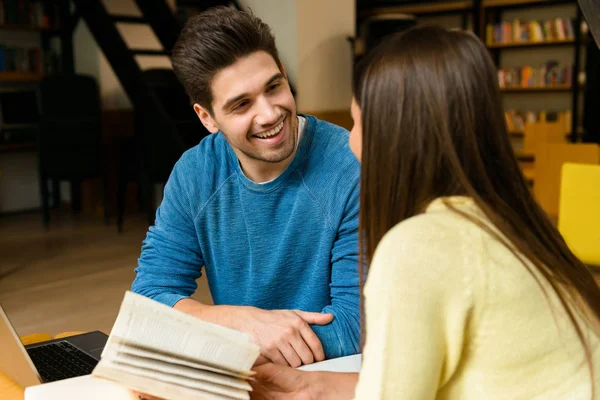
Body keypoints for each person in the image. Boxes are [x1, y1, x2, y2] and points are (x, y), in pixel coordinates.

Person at [250, 26, 600, 399]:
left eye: (356, 123)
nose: (349, 141)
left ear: (391, 136)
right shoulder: (518, 223)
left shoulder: (418, 247)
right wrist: (308, 386)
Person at [131, 6, 361, 368]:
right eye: (241, 105)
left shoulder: (349, 166)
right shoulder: (195, 173)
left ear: (284, 74)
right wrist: (241, 323)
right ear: (207, 118)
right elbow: (148, 300)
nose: (269, 114)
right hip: (247, 378)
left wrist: (233, 341)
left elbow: (352, 328)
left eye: (274, 87)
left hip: (329, 379)